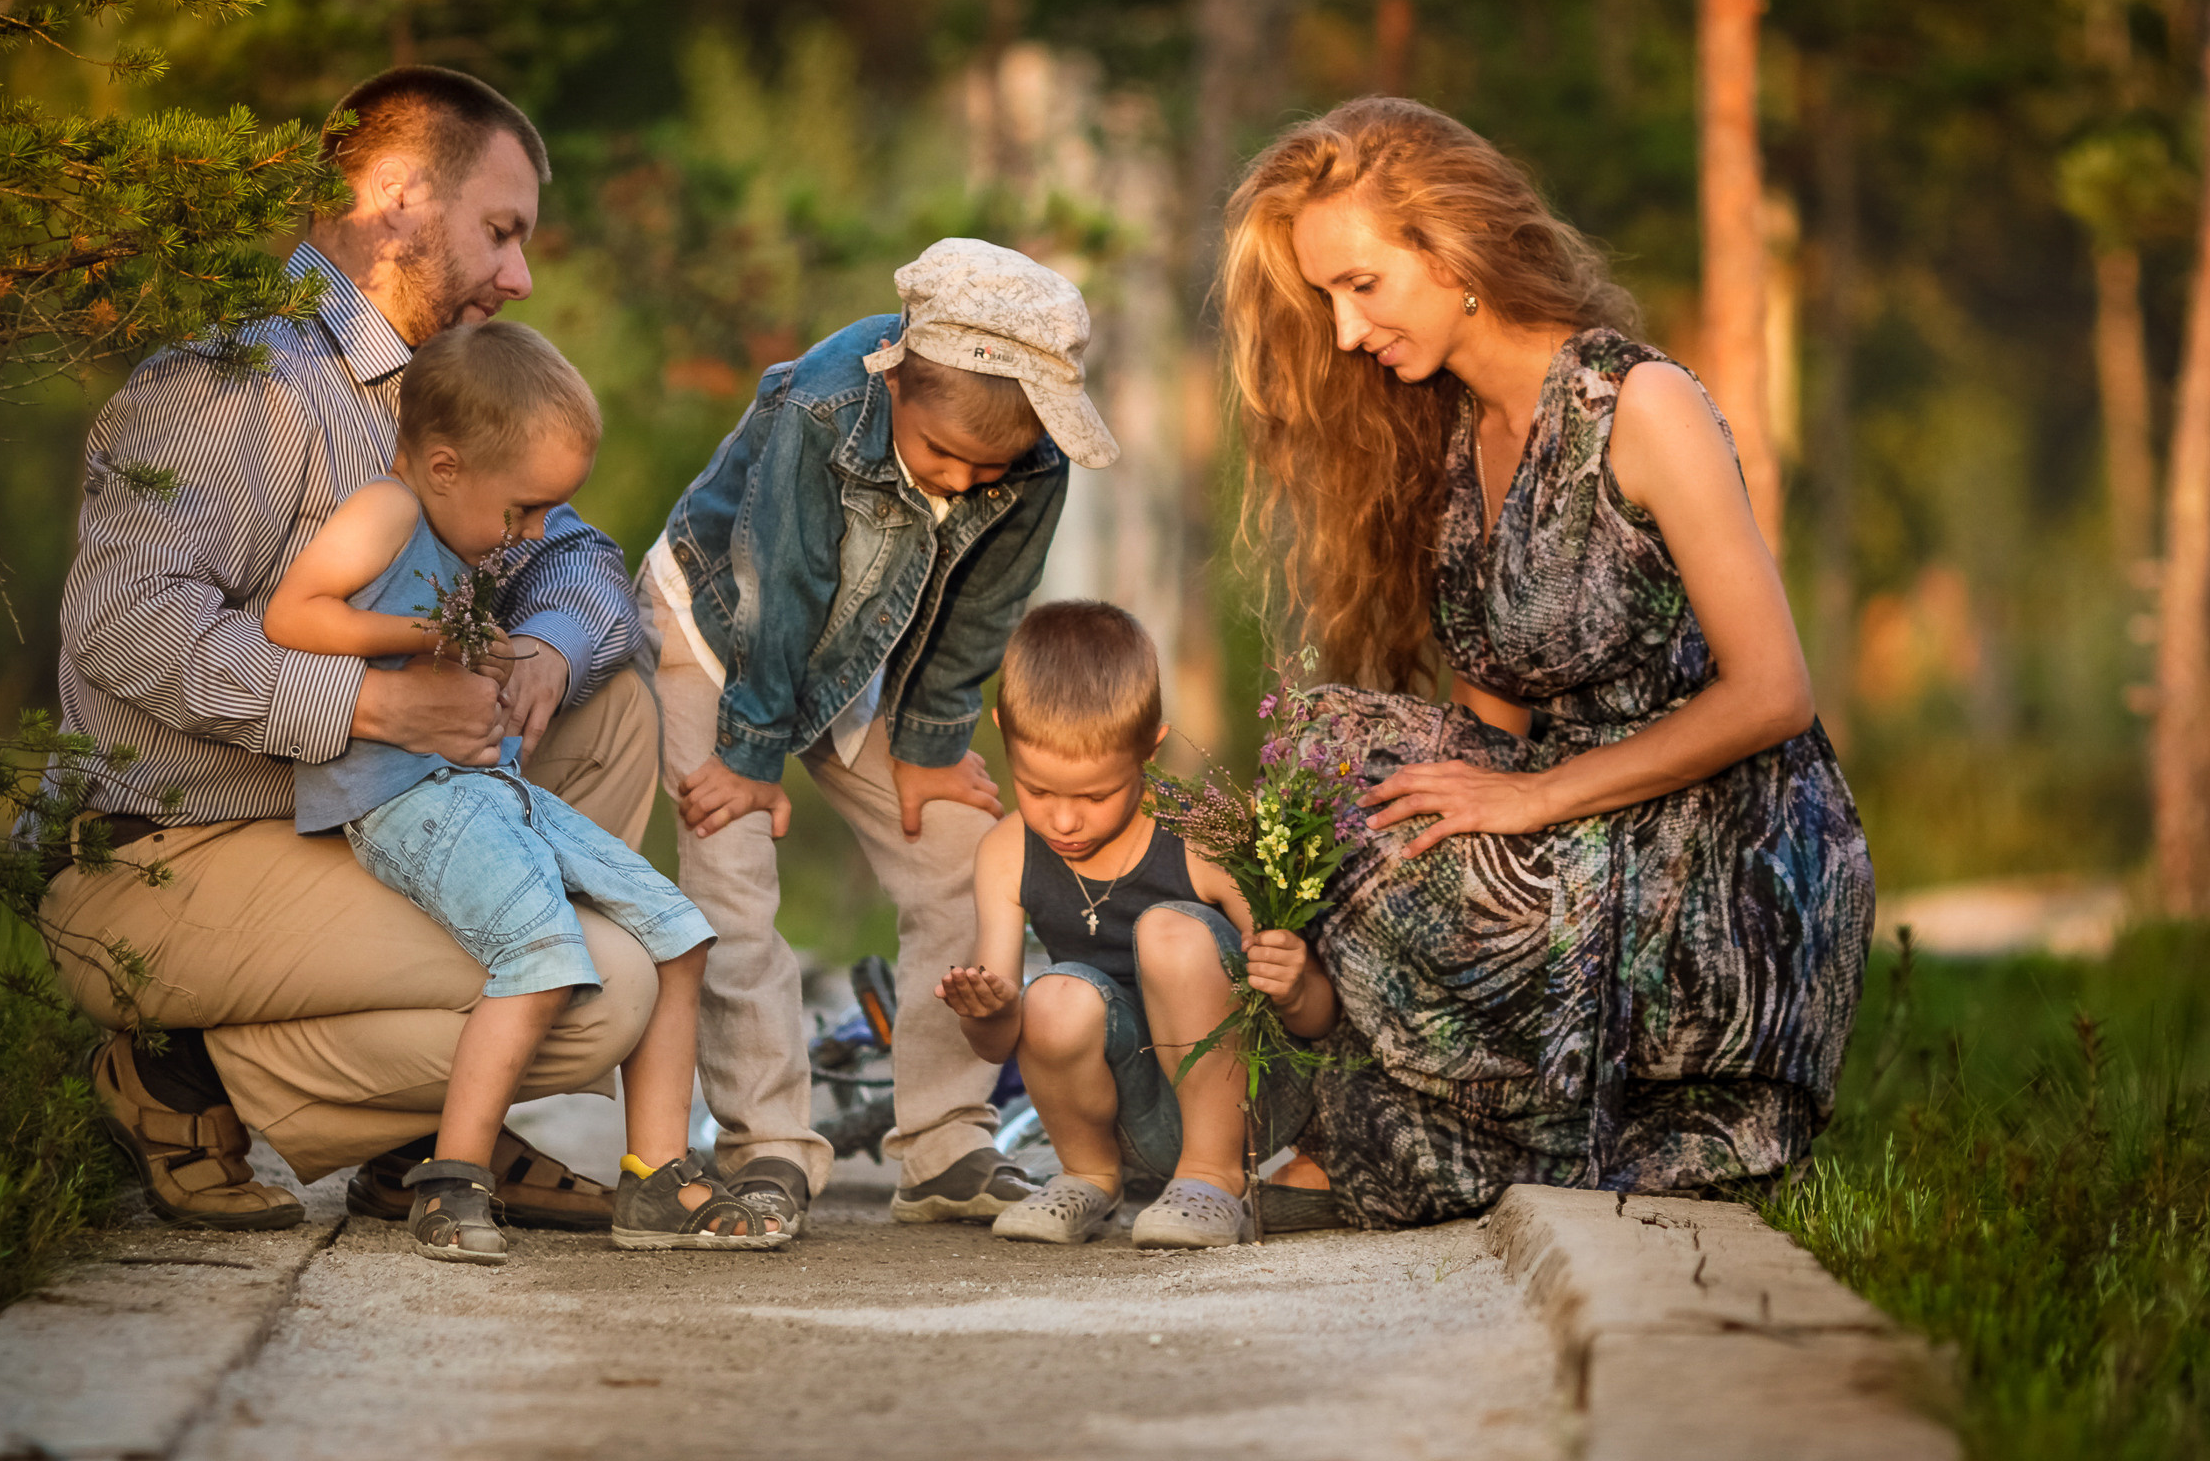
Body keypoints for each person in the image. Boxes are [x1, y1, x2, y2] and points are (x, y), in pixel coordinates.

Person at [1219, 97, 1875, 1227]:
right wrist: (1435, 817)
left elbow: (1775, 695)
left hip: (1725, 856)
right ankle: (1417, 1102)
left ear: (1453, 245)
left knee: (1357, 781)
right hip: (1569, 842)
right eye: (1326, 297)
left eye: (1361, 285)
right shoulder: (1455, 433)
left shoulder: (1640, 404)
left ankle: (1447, 1116)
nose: (1341, 331)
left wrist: (1529, 802)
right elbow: (1492, 723)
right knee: (1331, 761)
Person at [41, 65, 662, 1233]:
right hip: (173, 853)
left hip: (344, 825)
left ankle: (424, 1137)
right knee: (606, 985)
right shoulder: (233, 382)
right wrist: (370, 707)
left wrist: (539, 648)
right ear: (392, 200)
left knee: (610, 701)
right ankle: (179, 1078)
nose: (520, 275)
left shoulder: (440, 393)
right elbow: (120, 621)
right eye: (500, 230)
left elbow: (585, 563)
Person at [261, 318, 779, 1260]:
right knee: (543, 952)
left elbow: (586, 569)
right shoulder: (385, 511)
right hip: (401, 798)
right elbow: (294, 615)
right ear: (446, 467)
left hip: (483, 786)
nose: (536, 534)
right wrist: (430, 640)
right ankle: (451, 1180)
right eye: (526, 511)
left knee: (678, 932)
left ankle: (655, 1178)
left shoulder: (472, 530)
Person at [645, 238, 1116, 1236]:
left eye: (988, 470)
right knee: (729, 874)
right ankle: (768, 1143)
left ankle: (944, 1140)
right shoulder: (821, 406)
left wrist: (931, 744)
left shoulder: (1031, 451)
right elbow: (786, 584)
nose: (959, 483)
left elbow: (984, 608)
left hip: (871, 652)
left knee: (958, 857)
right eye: (943, 456)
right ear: (895, 381)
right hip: (727, 632)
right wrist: (749, 759)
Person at [935, 601, 1344, 1249]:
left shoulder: (1203, 838)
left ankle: (1212, 1179)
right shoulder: (1007, 851)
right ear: (1004, 737)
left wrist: (1294, 983)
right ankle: (1088, 1176)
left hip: (1247, 1107)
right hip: (1132, 1121)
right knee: (1052, 995)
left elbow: (1316, 1018)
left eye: (1094, 796)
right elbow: (997, 1044)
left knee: (1170, 931)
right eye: (1037, 790)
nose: (1063, 822)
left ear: (1150, 748)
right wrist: (984, 1008)